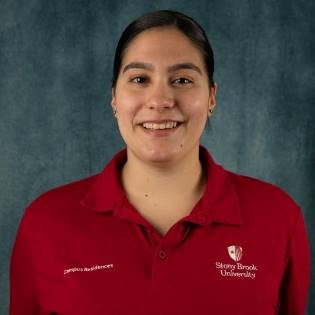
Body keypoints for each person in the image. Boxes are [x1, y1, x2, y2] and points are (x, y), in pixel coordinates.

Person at [10, 10, 310, 315]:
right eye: (140, 79)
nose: (160, 100)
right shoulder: (46, 222)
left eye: (182, 79)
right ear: (114, 97)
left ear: (212, 97)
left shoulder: (278, 217)